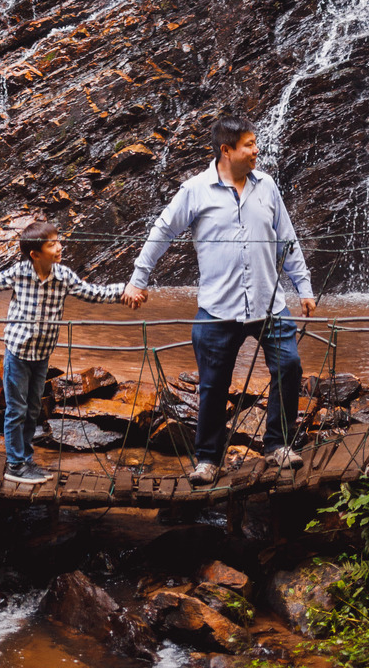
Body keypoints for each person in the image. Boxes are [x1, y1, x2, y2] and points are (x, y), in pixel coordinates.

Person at [124, 113, 316, 485]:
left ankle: (277, 444)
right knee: (213, 385)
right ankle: (208, 459)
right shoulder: (195, 190)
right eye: (249, 144)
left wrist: (304, 287)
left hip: (269, 304)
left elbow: (286, 239)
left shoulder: (267, 186)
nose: (256, 150)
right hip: (218, 308)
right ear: (227, 150)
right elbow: (162, 231)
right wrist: (137, 279)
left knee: (289, 367)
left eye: (256, 143)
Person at [0, 221, 138, 484]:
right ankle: (15, 464)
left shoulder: (63, 277)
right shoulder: (19, 273)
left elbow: (94, 293)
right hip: (17, 353)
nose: (60, 247)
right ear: (35, 254)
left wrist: (125, 290)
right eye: (52, 244)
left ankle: (26, 460)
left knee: (32, 409)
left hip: (41, 355)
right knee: (16, 409)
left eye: (58, 241)